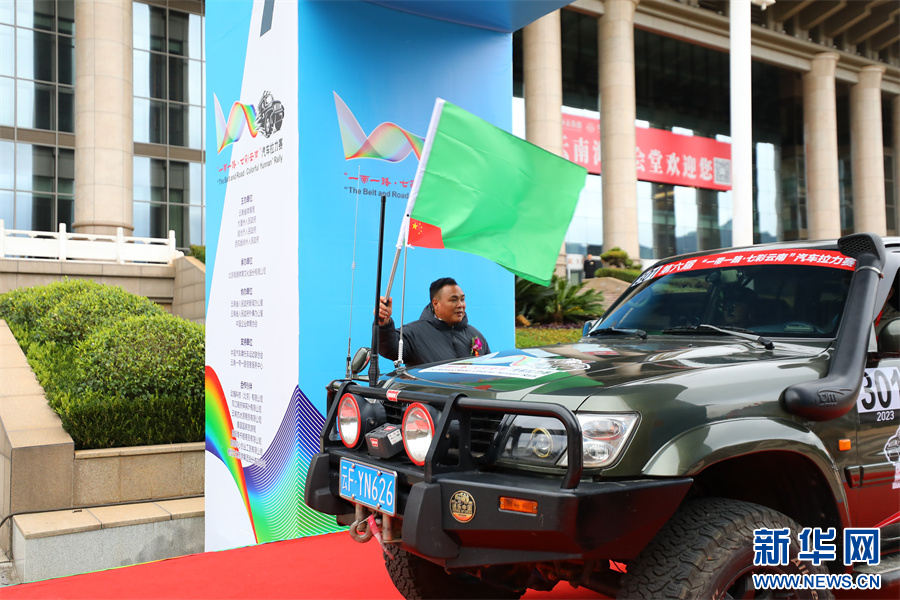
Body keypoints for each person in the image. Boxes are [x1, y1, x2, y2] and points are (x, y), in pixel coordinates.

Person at [377, 277, 490, 367]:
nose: (460, 305)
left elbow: (489, 370)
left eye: (462, 299)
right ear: (435, 303)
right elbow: (389, 349)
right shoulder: (414, 333)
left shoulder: (475, 335)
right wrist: (384, 324)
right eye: (453, 300)